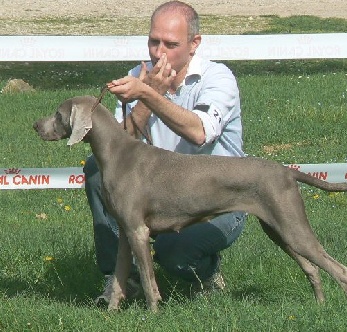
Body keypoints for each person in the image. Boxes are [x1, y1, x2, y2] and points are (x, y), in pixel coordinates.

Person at [83, 0, 246, 304]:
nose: (159, 53)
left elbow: (199, 132)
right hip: (155, 196)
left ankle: (206, 273)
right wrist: (148, 94)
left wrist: (147, 93)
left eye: (170, 44)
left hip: (220, 199)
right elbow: (117, 148)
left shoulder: (217, 79)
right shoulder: (138, 76)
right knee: (97, 169)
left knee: (174, 252)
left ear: (194, 44)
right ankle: (120, 279)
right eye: (153, 41)